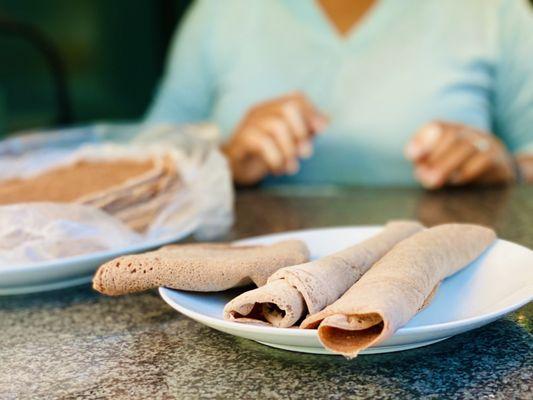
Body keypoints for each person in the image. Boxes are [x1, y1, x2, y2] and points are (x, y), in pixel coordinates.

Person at [146, 0, 533, 188]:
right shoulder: (221, 11)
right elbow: (139, 166)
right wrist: (225, 162)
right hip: (247, 283)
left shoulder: (493, 11)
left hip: (450, 278)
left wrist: (507, 169)